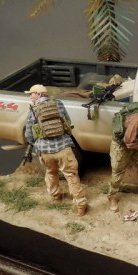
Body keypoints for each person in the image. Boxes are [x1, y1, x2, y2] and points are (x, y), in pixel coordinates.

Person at [24, 84, 88, 216]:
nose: (30, 96)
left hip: (45, 151)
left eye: (32, 94)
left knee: (51, 172)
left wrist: (35, 143)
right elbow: (67, 122)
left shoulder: (33, 110)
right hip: (64, 149)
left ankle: (56, 196)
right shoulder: (58, 104)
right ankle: (80, 205)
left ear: (40, 94)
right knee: (71, 175)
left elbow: (29, 133)